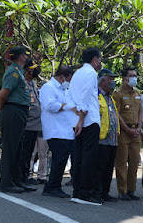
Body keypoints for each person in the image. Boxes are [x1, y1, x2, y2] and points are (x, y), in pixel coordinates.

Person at [0, 47, 31, 193]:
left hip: (18, 112)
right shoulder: (14, 73)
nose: (26, 58)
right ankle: (6, 183)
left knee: (18, 148)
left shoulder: (18, 72)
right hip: (13, 111)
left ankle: (16, 180)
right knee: (10, 148)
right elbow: (3, 94)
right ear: (21, 57)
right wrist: (0, 109)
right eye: (25, 56)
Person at [69, 48, 103, 205]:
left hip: (77, 120)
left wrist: (77, 117)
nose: (101, 62)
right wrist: (82, 119)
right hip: (88, 120)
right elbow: (85, 97)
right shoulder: (91, 74)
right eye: (100, 59)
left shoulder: (77, 73)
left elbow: (72, 97)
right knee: (89, 158)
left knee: (79, 157)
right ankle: (86, 194)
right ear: (95, 59)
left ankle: (78, 191)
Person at [40, 66, 76, 198]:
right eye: (69, 79)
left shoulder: (64, 89)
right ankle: (52, 186)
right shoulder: (48, 87)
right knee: (59, 158)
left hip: (66, 130)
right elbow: (50, 106)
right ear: (62, 77)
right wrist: (67, 106)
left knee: (62, 158)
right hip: (55, 129)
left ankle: (55, 185)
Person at [113, 66, 142, 201]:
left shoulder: (137, 93)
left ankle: (131, 189)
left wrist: (139, 128)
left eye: (135, 76)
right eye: (132, 76)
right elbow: (117, 114)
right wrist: (127, 129)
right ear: (125, 79)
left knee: (134, 162)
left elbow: (140, 112)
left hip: (136, 132)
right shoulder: (117, 93)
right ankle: (122, 191)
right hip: (124, 132)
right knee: (121, 162)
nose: (134, 78)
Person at [96, 68, 120, 202]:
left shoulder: (110, 96)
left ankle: (105, 191)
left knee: (109, 168)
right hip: (102, 139)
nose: (113, 82)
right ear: (103, 81)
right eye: (111, 79)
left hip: (112, 140)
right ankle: (98, 192)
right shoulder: (96, 95)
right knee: (100, 167)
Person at [18, 59, 41, 191]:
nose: (33, 72)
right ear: (26, 70)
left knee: (29, 152)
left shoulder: (32, 83)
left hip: (35, 125)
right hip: (27, 124)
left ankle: (26, 176)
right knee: (24, 152)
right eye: (31, 69)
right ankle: (21, 177)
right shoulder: (22, 83)